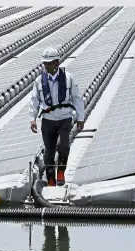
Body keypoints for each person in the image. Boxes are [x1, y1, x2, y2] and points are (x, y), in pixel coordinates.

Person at [28, 47, 85, 187]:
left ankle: (61, 171)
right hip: (48, 120)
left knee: (63, 146)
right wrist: (32, 118)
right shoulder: (39, 81)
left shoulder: (68, 78)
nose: (46, 66)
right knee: (49, 152)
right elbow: (34, 100)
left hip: (65, 118)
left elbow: (77, 98)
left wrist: (80, 117)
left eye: (49, 63)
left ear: (56, 63)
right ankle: (51, 178)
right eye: (45, 63)